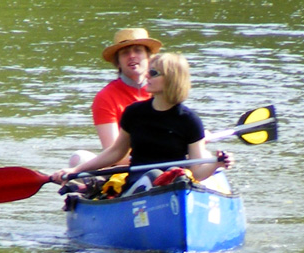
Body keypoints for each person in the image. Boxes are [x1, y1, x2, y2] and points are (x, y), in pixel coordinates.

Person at [52, 52, 231, 189]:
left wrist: (217, 163)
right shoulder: (134, 113)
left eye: (153, 73)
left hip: (175, 182)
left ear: (171, 79)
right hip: (139, 181)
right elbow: (115, 152)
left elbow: (197, 172)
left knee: (175, 176)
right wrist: (76, 171)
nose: (147, 76)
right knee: (154, 175)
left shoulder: (190, 121)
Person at [69, 28, 162, 167]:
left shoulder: (162, 89)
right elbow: (113, 153)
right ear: (118, 62)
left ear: (149, 57)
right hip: (124, 166)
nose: (132, 56)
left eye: (138, 50)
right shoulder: (105, 97)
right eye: (125, 53)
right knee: (79, 158)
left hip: (164, 160)